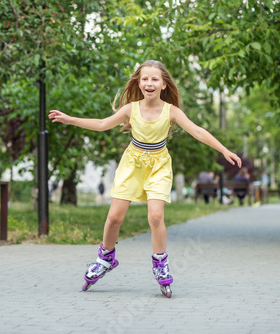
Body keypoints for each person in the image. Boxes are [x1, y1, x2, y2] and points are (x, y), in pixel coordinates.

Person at [48, 60, 241, 297]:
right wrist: (71, 119)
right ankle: (105, 258)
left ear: (163, 84)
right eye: (145, 79)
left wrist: (224, 149)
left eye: (155, 79)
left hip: (159, 164)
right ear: (139, 84)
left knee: (156, 216)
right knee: (114, 217)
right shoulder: (131, 108)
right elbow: (101, 124)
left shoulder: (172, 112)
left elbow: (198, 131)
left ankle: (160, 263)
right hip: (132, 164)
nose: (149, 83)